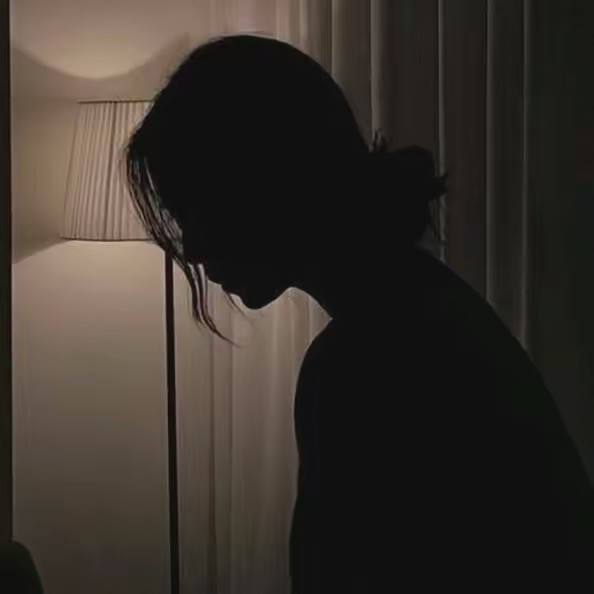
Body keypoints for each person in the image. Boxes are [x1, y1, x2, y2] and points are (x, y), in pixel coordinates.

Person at [125, 34, 594, 592]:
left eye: (195, 209)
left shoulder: (362, 361)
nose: (194, 247)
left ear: (262, 185)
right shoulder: (427, 303)